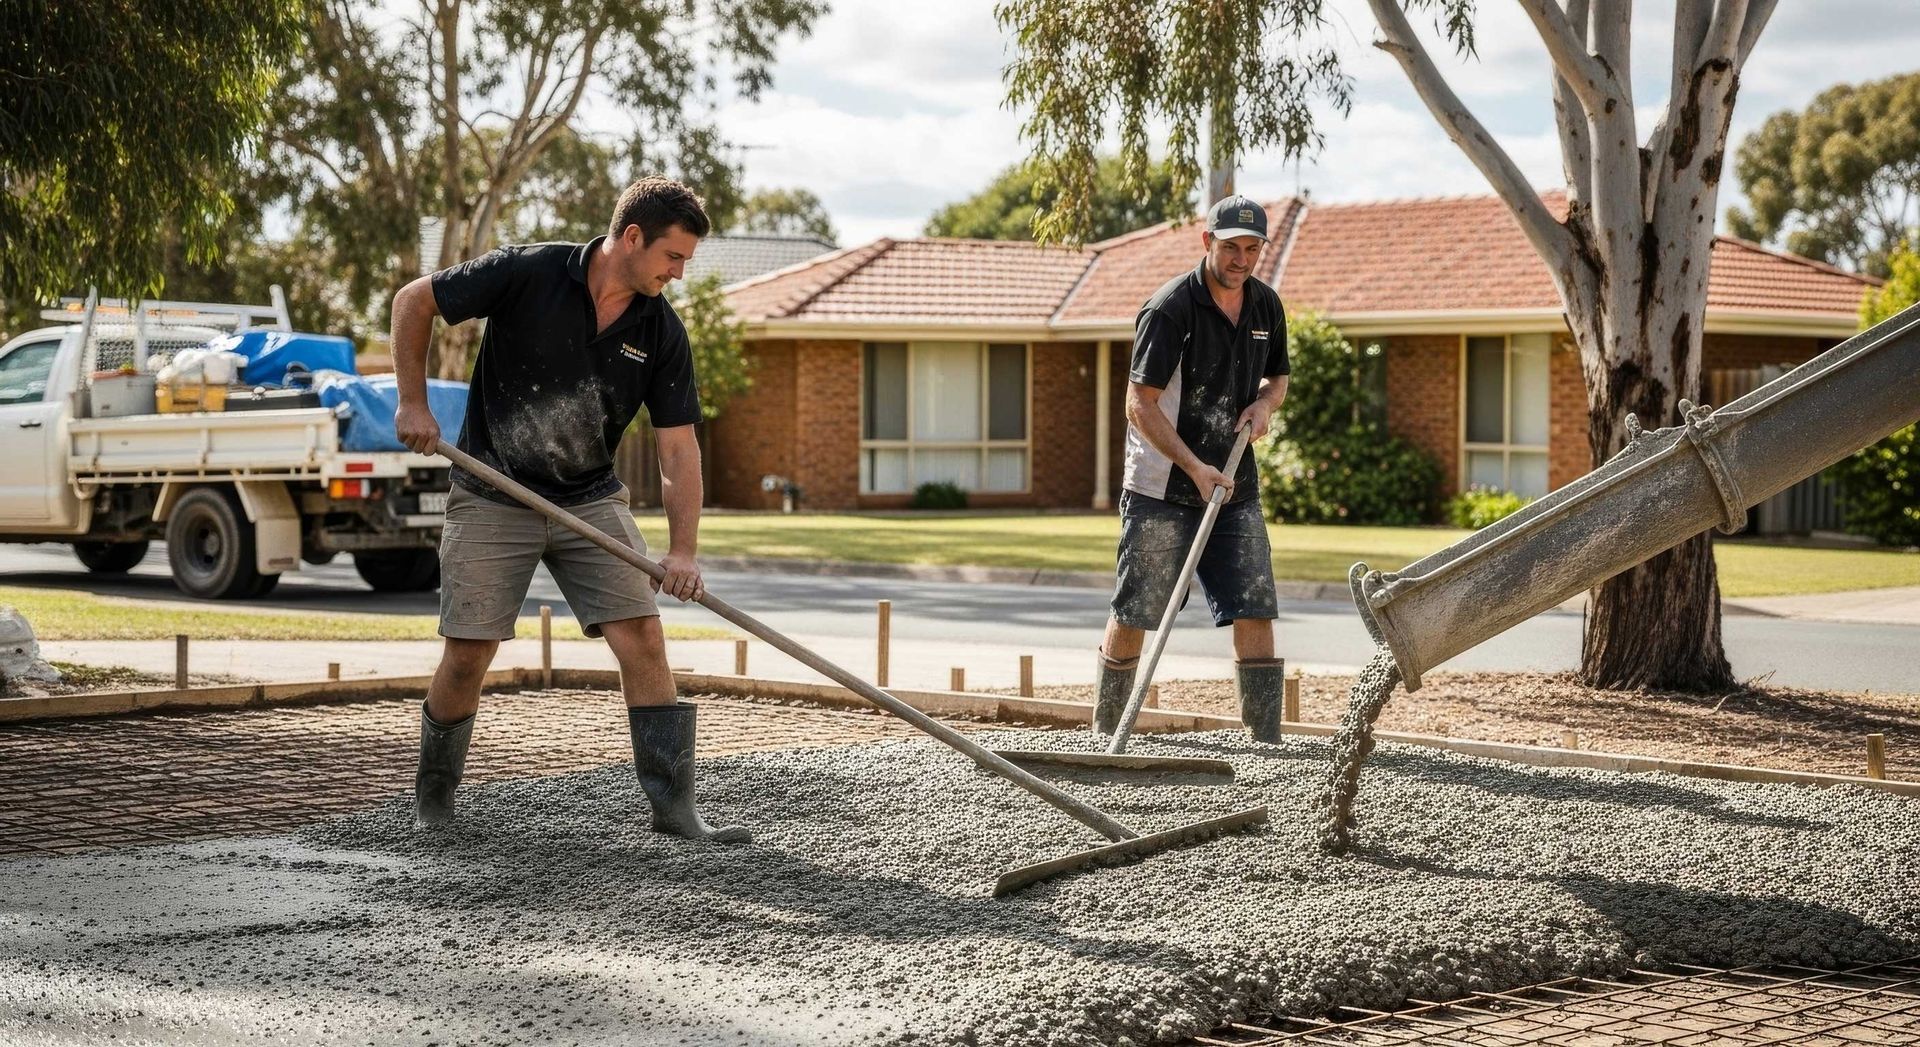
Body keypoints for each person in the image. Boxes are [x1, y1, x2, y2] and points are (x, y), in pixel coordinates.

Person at [390, 176, 747, 842]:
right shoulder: (528, 272)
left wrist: (684, 552)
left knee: (642, 637)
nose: (678, 272)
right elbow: (416, 301)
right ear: (632, 237)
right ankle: (433, 799)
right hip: (493, 490)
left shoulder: (661, 331)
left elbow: (678, 453)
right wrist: (413, 402)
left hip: (589, 499)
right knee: (470, 651)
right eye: (673, 257)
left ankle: (673, 808)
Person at [1099, 194, 1291, 743]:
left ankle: (1264, 743)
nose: (1242, 258)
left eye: (1252, 248)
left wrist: (1265, 405)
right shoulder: (1170, 310)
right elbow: (1140, 405)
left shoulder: (1265, 306)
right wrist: (1193, 467)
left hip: (1234, 485)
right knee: (1138, 609)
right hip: (1163, 486)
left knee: (1254, 604)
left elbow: (1277, 378)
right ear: (1207, 242)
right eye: (1231, 247)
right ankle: (1108, 733)